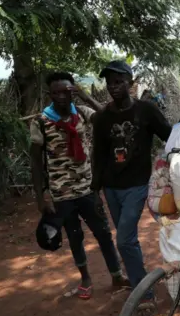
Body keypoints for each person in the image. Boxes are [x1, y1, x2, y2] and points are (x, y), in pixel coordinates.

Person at [30, 72, 129, 299]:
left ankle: (116, 275)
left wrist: (84, 95)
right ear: (50, 94)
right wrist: (40, 197)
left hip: (87, 188)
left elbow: (107, 117)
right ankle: (85, 278)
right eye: (56, 93)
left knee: (103, 233)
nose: (61, 97)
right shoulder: (41, 122)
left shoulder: (83, 114)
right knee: (74, 236)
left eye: (66, 91)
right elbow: (35, 162)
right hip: (62, 193)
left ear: (72, 91)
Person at [92, 61, 172, 305]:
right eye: (109, 83)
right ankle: (140, 282)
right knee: (128, 241)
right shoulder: (103, 118)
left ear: (130, 82)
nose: (113, 87)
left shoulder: (145, 110)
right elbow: (98, 153)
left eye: (118, 82)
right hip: (111, 188)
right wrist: (95, 188)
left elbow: (169, 135)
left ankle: (145, 294)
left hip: (137, 185)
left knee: (124, 240)